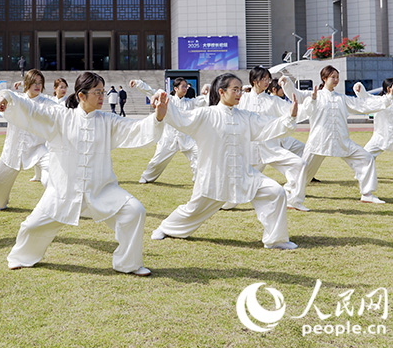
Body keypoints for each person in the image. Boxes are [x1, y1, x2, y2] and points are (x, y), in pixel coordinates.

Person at [0, 71, 167, 276]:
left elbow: (136, 128)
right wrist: (6, 97)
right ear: (81, 95)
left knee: (134, 211)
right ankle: (20, 257)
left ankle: (127, 263)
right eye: (97, 92)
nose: (102, 96)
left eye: (103, 91)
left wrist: (158, 116)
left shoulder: (108, 120)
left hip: (102, 189)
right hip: (63, 190)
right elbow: (32, 110)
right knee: (32, 226)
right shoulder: (60, 116)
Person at [152, 73, 299, 249]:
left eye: (240, 90)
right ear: (221, 92)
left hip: (244, 174)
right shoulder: (206, 114)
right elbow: (182, 119)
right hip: (215, 176)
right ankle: (166, 227)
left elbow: (267, 125)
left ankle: (276, 240)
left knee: (276, 192)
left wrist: (289, 117)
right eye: (235, 89)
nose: (239, 93)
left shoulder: (246, 116)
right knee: (193, 209)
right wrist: (163, 111)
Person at [281, 65, 392, 205]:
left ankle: (367, 194)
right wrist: (287, 83)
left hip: (341, 140)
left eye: (337, 77)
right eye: (333, 77)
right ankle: (292, 195)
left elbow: (362, 105)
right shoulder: (314, 95)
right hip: (318, 141)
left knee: (366, 158)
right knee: (304, 171)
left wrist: (387, 99)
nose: (336, 80)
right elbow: (296, 94)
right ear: (324, 78)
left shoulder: (341, 98)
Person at [0, 70, 57, 211]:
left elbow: (61, 112)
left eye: (40, 83)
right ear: (26, 84)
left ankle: (57, 206)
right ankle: (0, 204)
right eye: (34, 83)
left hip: (38, 149)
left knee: (52, 174)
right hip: (12, 150)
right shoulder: (13, 99)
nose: (37, 86)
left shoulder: (47, 103)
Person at [238, 67, 309, 211]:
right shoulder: (242, 99)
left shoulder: (273, 101)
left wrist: (309, 104)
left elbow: (292, 110)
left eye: (268, 79)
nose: (267, 82)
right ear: (254, 81)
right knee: (236, 186)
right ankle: (222, 202)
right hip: (247, 149)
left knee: (299, 164)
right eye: (263, 79)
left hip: (270, 147)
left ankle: (293, 199)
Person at [130, 77, 205, 183]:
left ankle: (198, 178)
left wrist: (208, 87)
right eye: (183, 86)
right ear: (175, 88)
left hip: (186, 137)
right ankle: (146, 177)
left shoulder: (190, 102)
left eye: (186, 86)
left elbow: (205, 100)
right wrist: (138, 83)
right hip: (168, 137)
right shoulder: (168, 99)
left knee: (198, 154)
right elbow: (152, 92)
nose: (185, 88)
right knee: (158, 160)